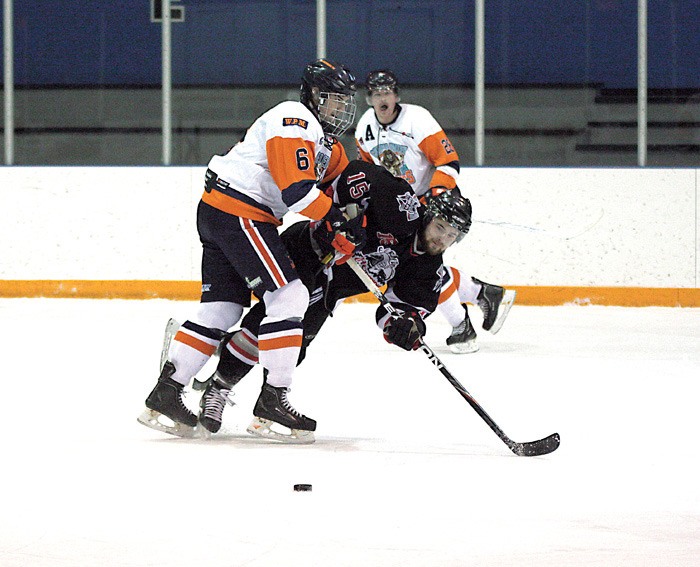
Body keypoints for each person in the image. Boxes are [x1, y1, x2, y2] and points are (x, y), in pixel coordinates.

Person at [137, 59, 365, 439]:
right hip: (241, 212)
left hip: (220, 210)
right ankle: (274, 399)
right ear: (312, 95)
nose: (340, 107)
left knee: (221, 308)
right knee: (291, 297)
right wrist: (337, 220)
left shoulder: (323, 139)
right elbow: (296, 193)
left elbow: (346, 176)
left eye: (344, 100)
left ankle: (167, 390)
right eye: (332, 99)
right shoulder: (294, 118)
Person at [195, 159, 473, 441]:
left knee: (294, 347)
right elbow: (355, 173)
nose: (442, 240)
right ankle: (217, 388)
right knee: (267, 330)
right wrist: (340, 217)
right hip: (307, 252)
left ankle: (265, 399)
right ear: (428, 217)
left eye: (452, 236)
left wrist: (404, 327)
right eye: (440, 228)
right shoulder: (399, 203)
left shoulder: (428, 270)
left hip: (332, 289)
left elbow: (399, 312)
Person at [354, 69, 515, 354]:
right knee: (422, 271)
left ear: (397, 95)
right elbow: (369, 172)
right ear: (369, 98)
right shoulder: (364, 127)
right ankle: (482, 295)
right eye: (377, 93)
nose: (383, 98)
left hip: (432, 206)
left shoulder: (418, 119)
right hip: (401, 210)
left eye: (387, 92)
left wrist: (432, 202)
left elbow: (448, 162)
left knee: (426, 271)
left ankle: (463, 324)